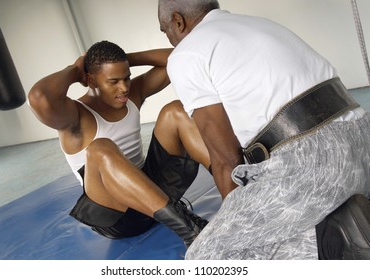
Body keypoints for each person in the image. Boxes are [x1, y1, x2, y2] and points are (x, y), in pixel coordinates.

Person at [157, 0, 370, 259]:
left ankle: (335, 239)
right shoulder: (260, 25)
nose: (169, 39)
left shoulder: (186, 53)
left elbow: (225, 158)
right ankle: (338, 227)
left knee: (205, 258)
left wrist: (234, 225)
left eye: (165, 30)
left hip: (312, 167)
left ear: (178, 21)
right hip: (362, 148)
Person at [28, 40, 211, 249]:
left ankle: (233, 185)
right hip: (119, 216)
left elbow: (179, 57)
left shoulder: (132, 95)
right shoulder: (74, 117)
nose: (123, 88)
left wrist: (126, 60)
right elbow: (39, 96)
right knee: (100, 148)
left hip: (155, 196)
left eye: (126, 78)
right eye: (113, 81)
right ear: (91, 79)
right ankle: (191, 232)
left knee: (175, 111)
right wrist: (75, 69)